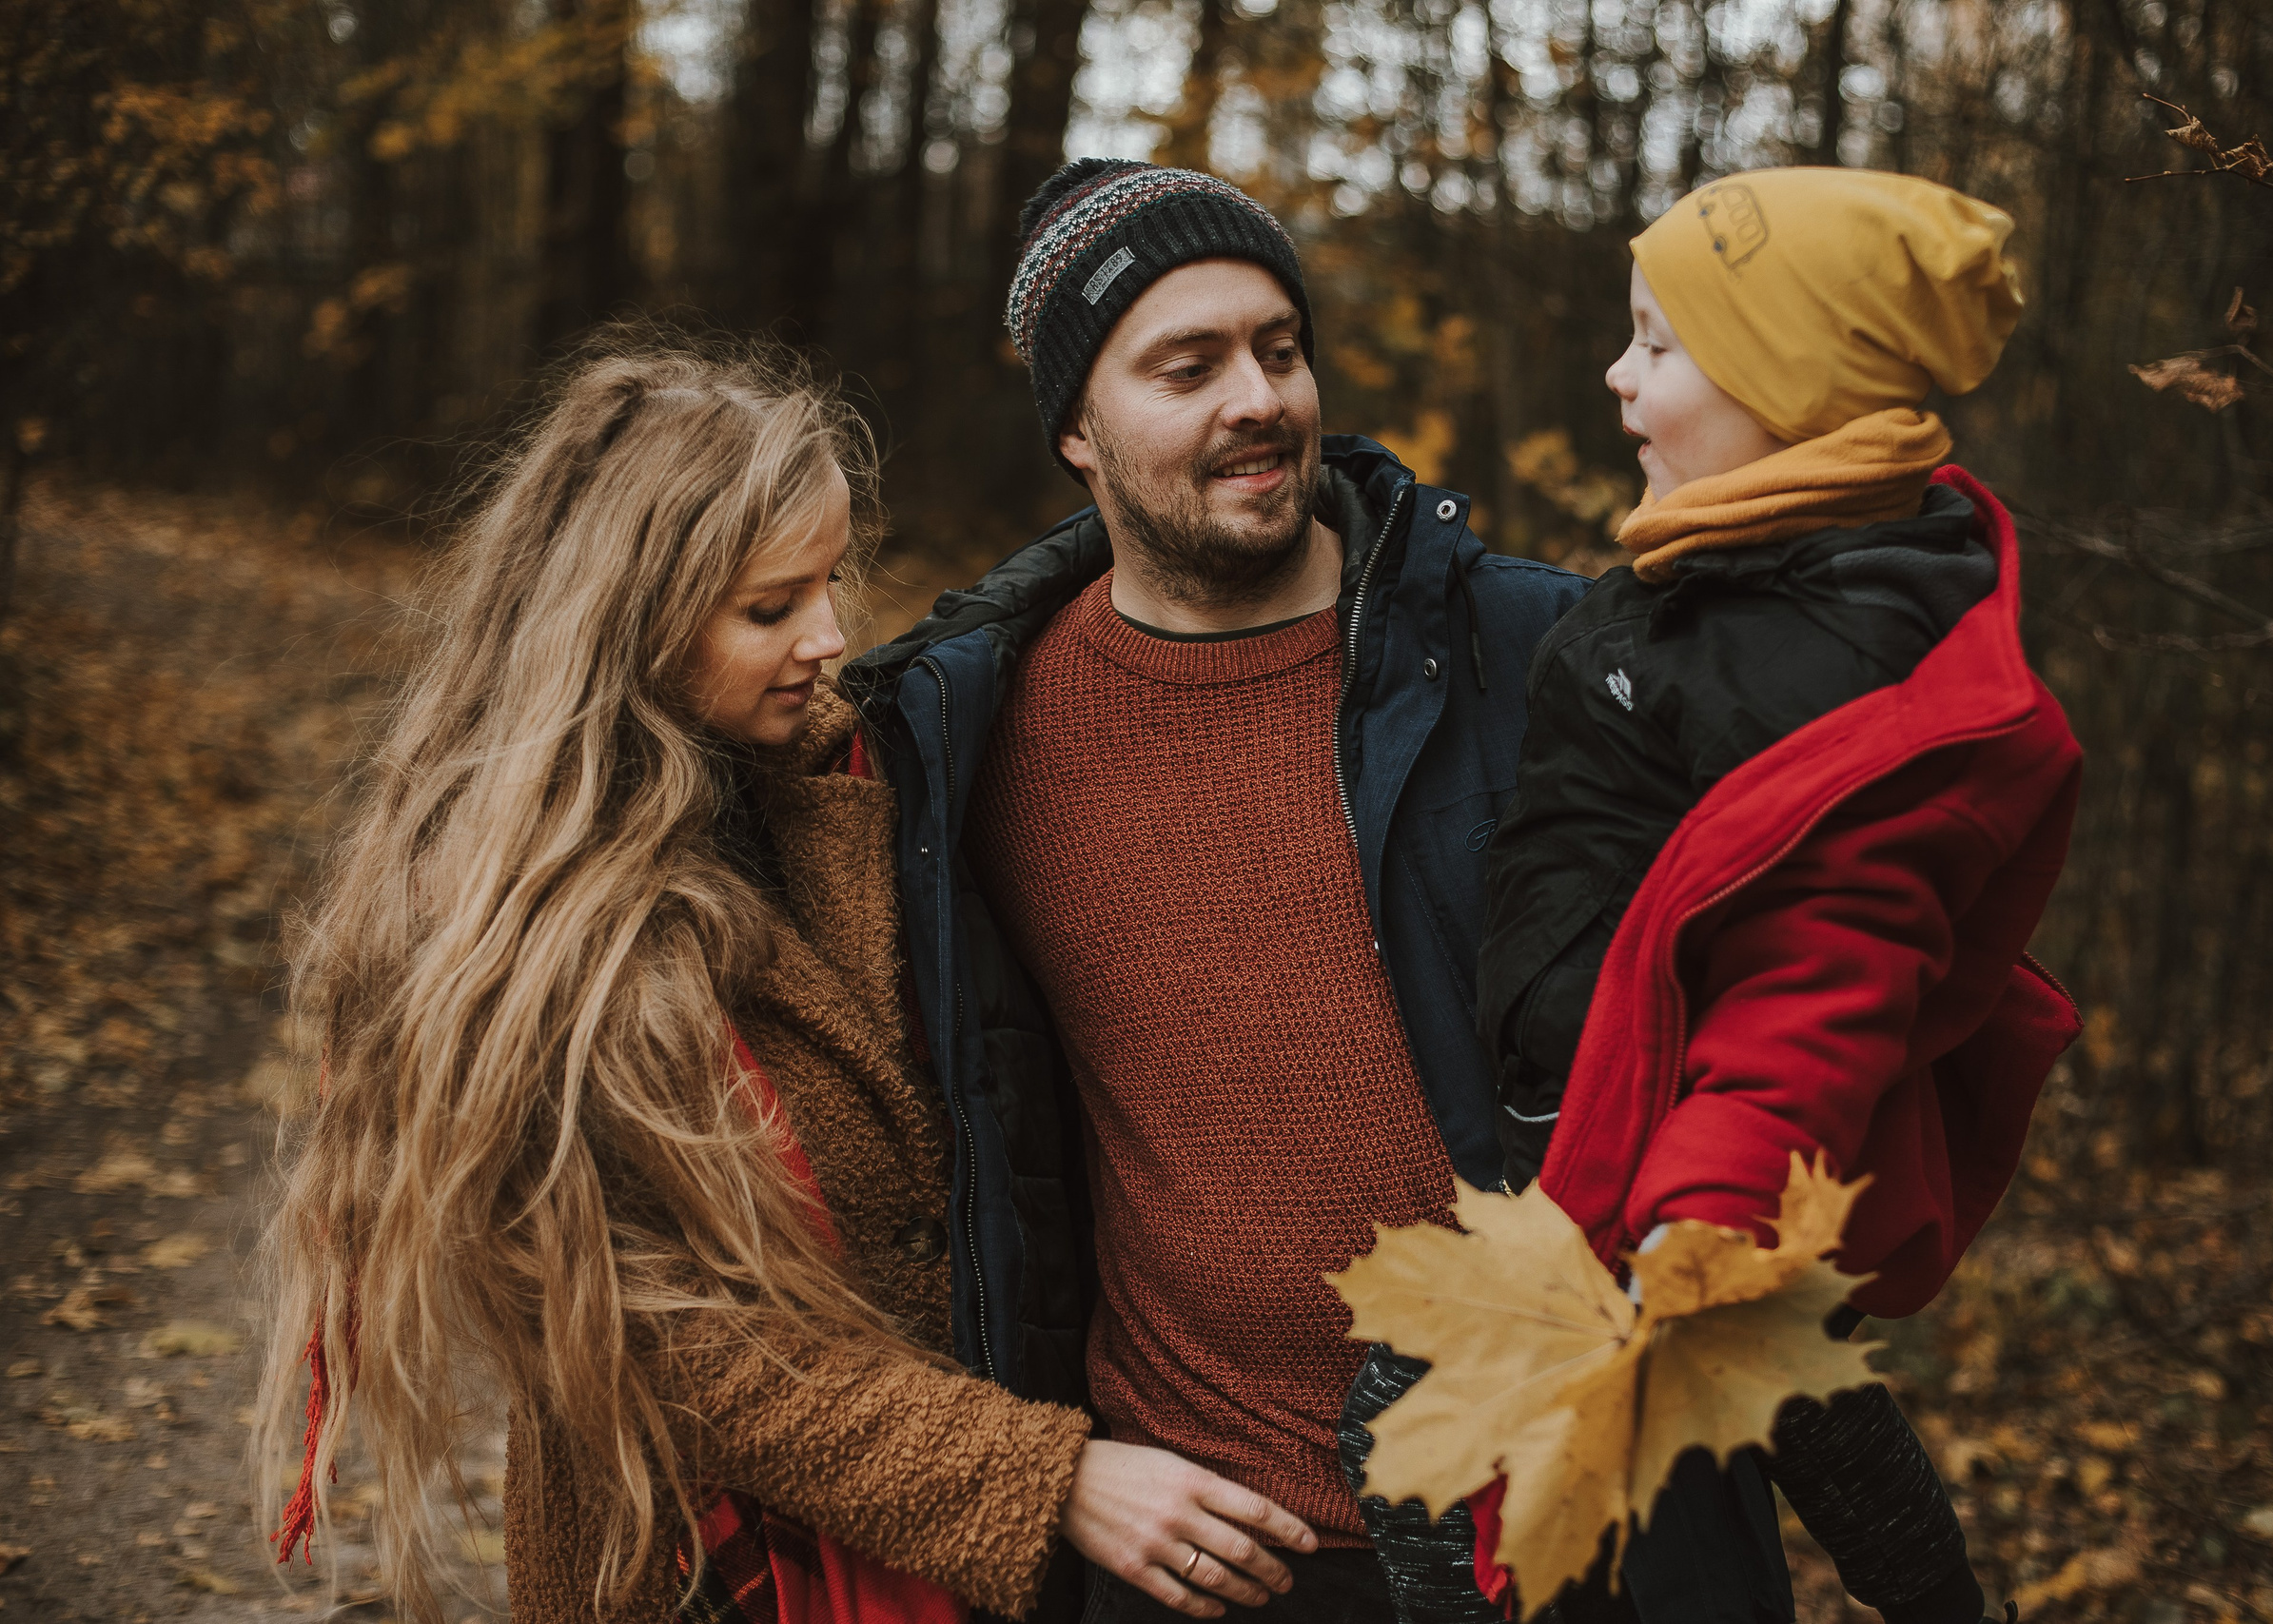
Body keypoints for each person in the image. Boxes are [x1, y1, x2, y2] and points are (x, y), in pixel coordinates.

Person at [838, 161, 1800, 1624]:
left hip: (1574, 1515)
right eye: (1189, 365)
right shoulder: (967, 736)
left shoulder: (1542, 653)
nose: (1260, 399)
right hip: (1202, 1541)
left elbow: (1799, 991)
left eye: (1279, 348)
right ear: (1078, 433)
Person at [251, 337, 1320, 1624]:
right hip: (710, 1570)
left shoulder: (845, 792)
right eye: (770, 609)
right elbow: (675, 1348)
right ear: (629, 623)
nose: (829, 637)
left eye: (828, 582)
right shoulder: (517, 938)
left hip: (929, 1550)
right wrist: (1042, 1480)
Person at [1464, 168, 2084, 1621]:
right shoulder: (1735, 566)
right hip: (1603, 1105)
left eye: (1661, 348)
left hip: (1663, 1161)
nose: (1618, 374)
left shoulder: (1830, 660)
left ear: (1789, 388)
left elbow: (1829, 969)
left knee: (1439, 1446)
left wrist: (1711, 1208)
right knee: (1801, 1398)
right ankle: (1935, 1591)